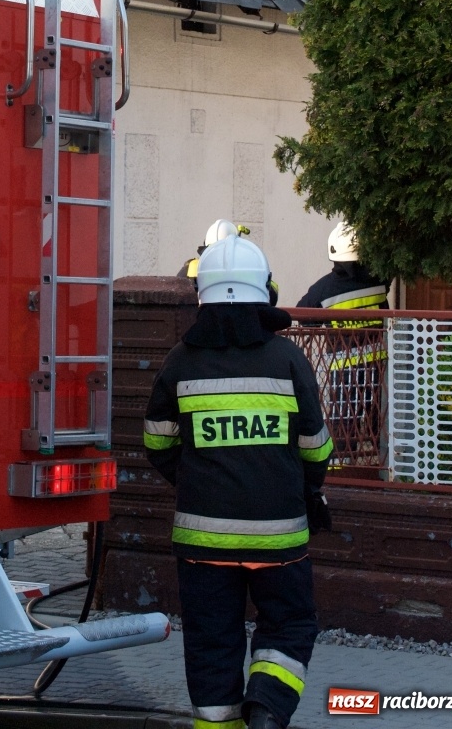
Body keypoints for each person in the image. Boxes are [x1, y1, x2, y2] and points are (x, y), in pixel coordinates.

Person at [145, 233, 333, 729]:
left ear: (202, 295)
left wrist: (192, 478)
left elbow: (157, 443)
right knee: (290, 624)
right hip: (280, 535)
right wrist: (304, 488)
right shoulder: (288, 360)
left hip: (201, 539)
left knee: (211, 639)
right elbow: (317, 447)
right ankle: (267, 709)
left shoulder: (179, 361)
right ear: (264, 293)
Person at [297, 222, 388, 466]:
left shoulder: (324, 289)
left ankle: (342, 463)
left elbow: (303, 314)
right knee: (377, 414)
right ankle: (382, 462)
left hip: (344, 366)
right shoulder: (378, 279)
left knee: (344, 415)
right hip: (378, 363)